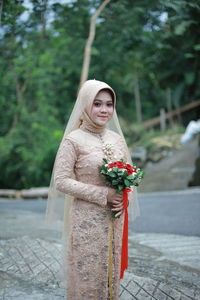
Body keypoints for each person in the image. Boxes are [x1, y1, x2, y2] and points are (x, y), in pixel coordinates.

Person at [45, 79, 140, 300]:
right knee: (88, 276)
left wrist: (124, 198)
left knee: (111, 275)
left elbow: (130, 176)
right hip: (86, 220)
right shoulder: (73, 140)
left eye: (109, 104)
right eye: (97, 104)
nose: (104, 110)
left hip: (115, 218)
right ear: (85, 104)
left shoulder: (117, 139)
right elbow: (61, 180)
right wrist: (102, 194)